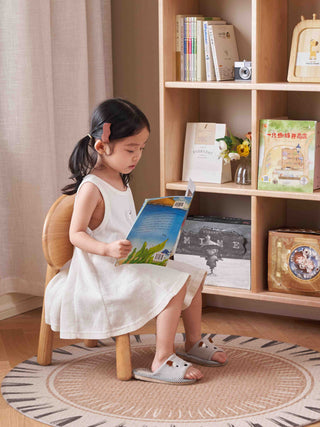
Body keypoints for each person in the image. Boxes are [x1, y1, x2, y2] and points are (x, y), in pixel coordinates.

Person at [45, 98, 227, 385]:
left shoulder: (121, 179)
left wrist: (157, 242)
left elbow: (125, 228)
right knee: (175, 285)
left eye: (142, 148)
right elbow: (75, 234)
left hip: (126, 262)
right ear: (102, 147)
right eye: (131, 149)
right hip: (103, 272)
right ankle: (161, 358)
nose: (137, 156)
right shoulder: (92, 187)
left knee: (194, 275)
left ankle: (193, 343)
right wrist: (106, 248)